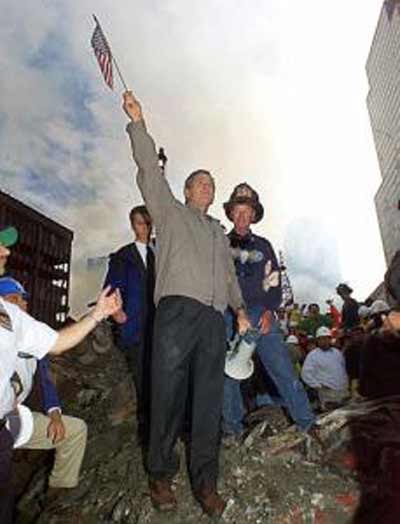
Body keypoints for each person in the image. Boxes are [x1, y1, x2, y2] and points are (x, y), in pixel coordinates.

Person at [122, 91, 250, 517]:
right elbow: (147, 172)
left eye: (212, 184)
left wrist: (240, 309)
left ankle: (206, 482)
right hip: (177, 314)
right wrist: (139, 123)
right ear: (186, 190)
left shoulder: (218, 232)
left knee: (208, 401)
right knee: (168, 395)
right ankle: (160, 475)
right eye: (201, 182)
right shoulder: (170, 213)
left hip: (214, 321)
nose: (208, 187)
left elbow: (230, 277)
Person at [0, 225, 122, 524]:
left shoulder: (15, 320)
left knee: (74, 430)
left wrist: (96, 315)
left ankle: (56, 505)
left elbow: (57, 345)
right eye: (18, 298)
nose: (5, 252)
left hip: (6, 423)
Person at [221, 183, 316, 438]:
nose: (242, 217)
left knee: (283, 370)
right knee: (228, 372)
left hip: (262, 314)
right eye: (237, 212)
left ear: (253, 215)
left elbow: (274, 280)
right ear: (231, 214)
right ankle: (233, 430)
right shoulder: (219, 244)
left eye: (247, 212)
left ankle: (307, 422)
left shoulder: (263, 245)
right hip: (231, 315)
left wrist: (269, 311)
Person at [0, 276, 88, 505]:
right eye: (13, 299)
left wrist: (55, 415)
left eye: (23, 299)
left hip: (11, 419)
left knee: (75, 430)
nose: (21, 304)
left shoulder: (31, 337)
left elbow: (46, 383)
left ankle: (57, 498)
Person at [104, 205, 155, 445]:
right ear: (132, 225)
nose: (143, 226)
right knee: (143, 378)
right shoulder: (123, 256)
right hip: (134, 327)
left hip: (161, 328)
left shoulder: (160, 254)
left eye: (147, 221)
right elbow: (111, 288)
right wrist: (118, 314)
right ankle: (147, 430)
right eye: (138, 222)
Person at [301, 326, 349, 411]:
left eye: (326, 338)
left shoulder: (337, 352)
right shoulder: (313, 356)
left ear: (330, 339)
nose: (324, 341)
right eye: (321, 339)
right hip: (327, 393)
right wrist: (318, 386)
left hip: (342, 390)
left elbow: (343, 368)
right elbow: (305, 374)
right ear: (317, 341)